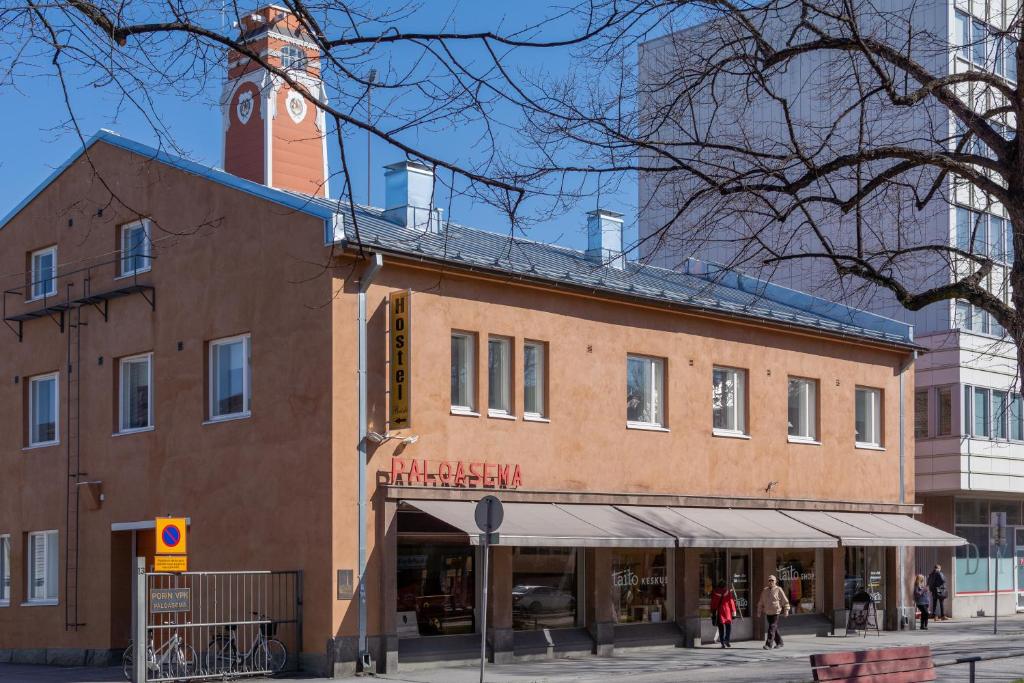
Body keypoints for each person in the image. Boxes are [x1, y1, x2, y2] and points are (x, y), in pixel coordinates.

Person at [756, 575, 790, 649]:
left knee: (771, 628)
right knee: (774, 628)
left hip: (776, 612)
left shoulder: (779, 589)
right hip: (768, 612)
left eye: (772, 580)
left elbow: (785, 601)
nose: (771, 582)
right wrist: (759, 611)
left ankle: (768, 644)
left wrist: (786, 610)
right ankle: (780, 642)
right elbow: (761, 602)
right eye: (769, 580)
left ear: (775, 581)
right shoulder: (765, 590)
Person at [710, 580, 738, 648]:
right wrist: (734, 613)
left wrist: (712, 612)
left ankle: (722, 642)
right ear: (724, 585)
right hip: (727, 612)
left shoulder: (715, 592)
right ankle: (727, 640)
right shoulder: (727, 592)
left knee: (720, 627)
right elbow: (731, 602)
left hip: (719, 612)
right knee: (728, 627)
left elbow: (713, 603)